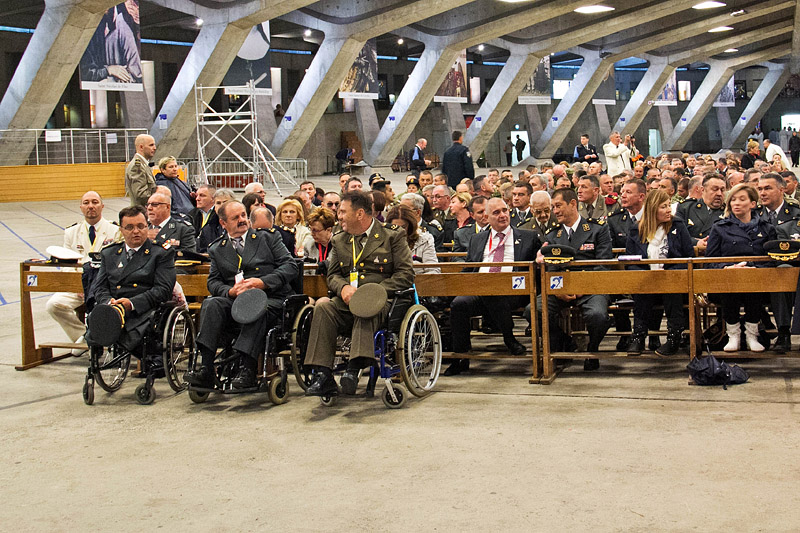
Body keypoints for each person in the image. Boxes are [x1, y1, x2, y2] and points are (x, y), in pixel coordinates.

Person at [304, 191, 415, 397]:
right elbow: (334, 274)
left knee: (366, 305)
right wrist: (343, 288)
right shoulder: (339, 239)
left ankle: (354, 368)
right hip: (347, 301)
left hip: (381, 301)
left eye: (343, 212)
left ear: (360, 213)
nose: (338, 216)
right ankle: (322, 374)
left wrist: (375, 291)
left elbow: (406, 274)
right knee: (323, 306)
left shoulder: (392, 235)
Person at [185, 201, 298, 389]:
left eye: (243, 215)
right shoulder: (217, 248)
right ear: (223, 223)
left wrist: (262, 283)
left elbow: (290, 266)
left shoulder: (267, 238)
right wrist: (229, 291)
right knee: (211, 304)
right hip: (236, 301)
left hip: (270, 298)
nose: (242, 220)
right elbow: (213, 282)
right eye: (235, 218)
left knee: (256, 305)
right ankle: (206, 368)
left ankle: (247, 368)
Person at [447, 198, 541, 374]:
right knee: (458, 304)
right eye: (496, 213)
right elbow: (469, 268)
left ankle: (509, 338)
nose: (503, 215)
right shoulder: (477, 239)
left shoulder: (528, 237)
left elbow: (539, 263)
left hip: (515, 289)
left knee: (493, 292)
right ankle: (461, 356)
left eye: (505, 210)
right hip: (481, 287)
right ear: (487, 217)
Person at [85, 206, 175, 365]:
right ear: (121, 230)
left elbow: (163, 290)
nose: (136, 231)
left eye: (141, 226)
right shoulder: (109, 253)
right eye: (130, 227)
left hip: (143, 309)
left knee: (142, 324)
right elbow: (99, 287)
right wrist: (108, 302)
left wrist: (131, 304)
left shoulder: (161, 253)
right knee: (96, 316)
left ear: (147, 227)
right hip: (113, 308)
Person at [538, 188, 613, 371]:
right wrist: (558, 290)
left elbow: (602, 265)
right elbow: (552, 268)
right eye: (553, 207)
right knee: (534, 311)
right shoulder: (552, 234)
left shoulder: (597, 229)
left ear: (573, 204)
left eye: (558, 206)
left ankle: (592, 348)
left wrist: (582, 287)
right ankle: (565, 342)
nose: (555, 211)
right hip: (561, 287)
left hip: (591, 286)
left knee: (598, 316)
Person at [46, 191, 121, 353]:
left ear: (102, 206)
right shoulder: (71, 232)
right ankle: (85, 337)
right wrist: (77, 286)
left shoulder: (114, 230)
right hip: (79, 286)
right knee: (53, 305)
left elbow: (116, 263)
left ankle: (99, 339)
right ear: (81, 207)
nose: (91, 206)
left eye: (95, 202)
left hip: (104, 287)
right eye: (86, 203)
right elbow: (66, 262)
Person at [706, 184, 776, 352]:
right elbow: (710, 260)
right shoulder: (720, 228)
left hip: (758, 280)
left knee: (752, 284)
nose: (736, 203)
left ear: (753, 204)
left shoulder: (766, 228)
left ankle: (752, 335)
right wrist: (727, 267)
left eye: (742, 199)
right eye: (733, 200)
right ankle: (733, 335)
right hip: (727, 280)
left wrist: (755, 268)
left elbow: (772, 259)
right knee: (732, 285)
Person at [625, 190, 694, 356]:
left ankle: (674, 337)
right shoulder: (636, 230)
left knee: (672, 291)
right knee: (642, 290)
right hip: (647, 282)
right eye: (664, 207)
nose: (669, 210)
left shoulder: (677, 225)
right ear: (652, 209)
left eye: (669, 205)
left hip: (673, 281)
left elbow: (688, 257)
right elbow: (630, 261)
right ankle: (639, 337)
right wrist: (645, 275)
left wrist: (668, 274)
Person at [756, 173, 800, 352]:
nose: (762, 193)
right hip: (760, 268)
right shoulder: (753, 214)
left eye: (768, 188)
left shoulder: (796, 212)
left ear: (781, 190)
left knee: (782, 273)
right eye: (760, 189)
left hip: (791, 269)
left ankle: (783, 332)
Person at [673, 174, 726, 255]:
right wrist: (696, 243)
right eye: (715, 189)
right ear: (703, 190)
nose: (719, 193)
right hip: (691, 258)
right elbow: (676, 235)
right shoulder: (686, 208)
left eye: (722, 190)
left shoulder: (728, 211)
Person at [386, 204, 439, 274]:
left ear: (410, 226)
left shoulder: (425, 240)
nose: (399, 232)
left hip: (418, 281)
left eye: (403, 227)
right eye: (394, 227)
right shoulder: (383, 240)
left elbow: (433, 270)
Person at [198, 189, 235, 253]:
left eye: (225, 202)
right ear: (214, 207)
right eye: (218, 203)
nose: (222, 206)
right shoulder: (207, 229)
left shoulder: (242, 225)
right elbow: (203, 251)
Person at [125, 134, 156, 206]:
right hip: (142, 211)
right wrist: (159, 195)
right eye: (151, 145)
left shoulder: (143, 164)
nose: (154, 148)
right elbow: (141, 195)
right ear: (141, 147)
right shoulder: (137, 167)